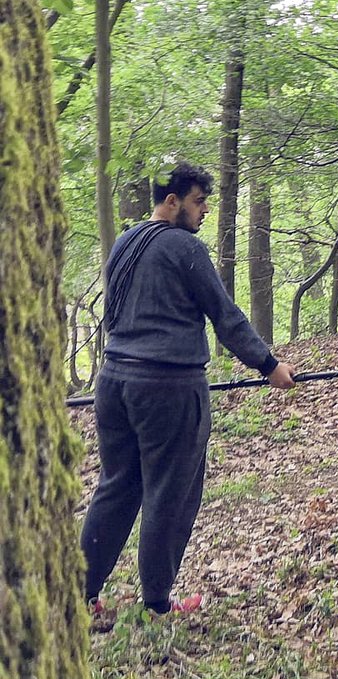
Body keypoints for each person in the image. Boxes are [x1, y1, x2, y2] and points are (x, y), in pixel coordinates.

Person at [81, 163, 296, 614]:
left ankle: (80, 594)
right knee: (169, 493)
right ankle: (157, 601)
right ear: (172, 202)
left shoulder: (125, 242)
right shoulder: (185, 248)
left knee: (116, 486)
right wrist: (269, 365)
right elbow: (226, 317)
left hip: (114, 381)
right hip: (169, 388)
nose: (204, 212)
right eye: (198, 202)